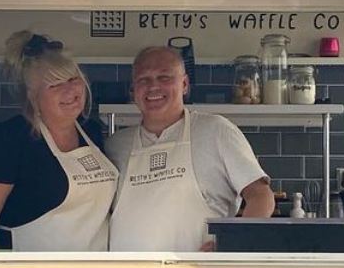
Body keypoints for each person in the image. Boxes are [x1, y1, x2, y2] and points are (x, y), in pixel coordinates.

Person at [107, 45, 274, 251]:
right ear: (133, 91)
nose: (153, 87)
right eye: (144, 80)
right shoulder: (115, 145)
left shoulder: (215, 130)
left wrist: (233, 242)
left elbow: (261, 196)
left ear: (184, 84)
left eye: (164, 77)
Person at [0, 32, 118, 251]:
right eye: (54, 85)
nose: (69, 90)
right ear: (32, 96)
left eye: (73, 79)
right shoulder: (7, 139)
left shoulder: (91, 131)